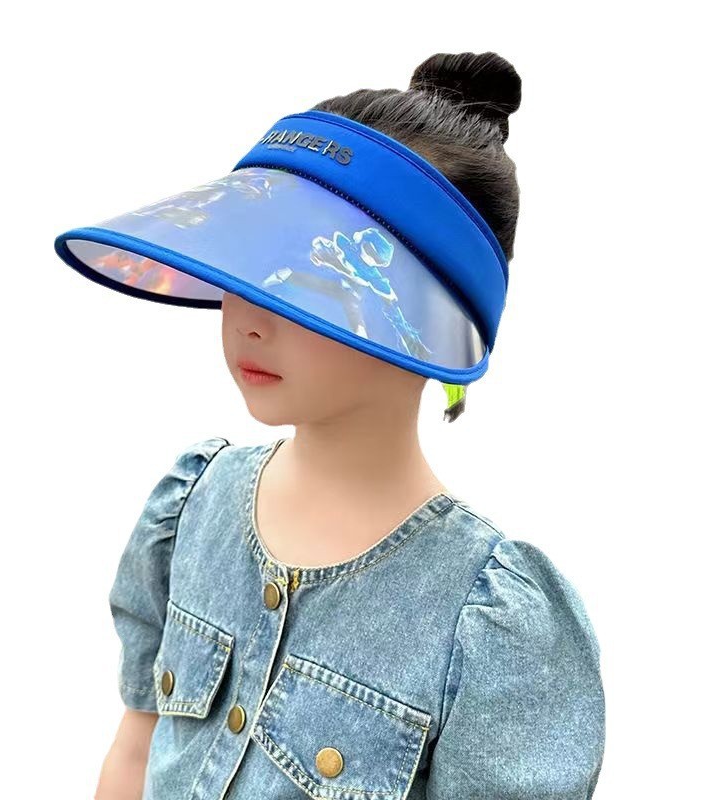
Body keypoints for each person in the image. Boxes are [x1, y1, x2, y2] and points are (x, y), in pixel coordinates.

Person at [56, 50, 605, 800]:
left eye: (313, 283)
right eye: (248, 268)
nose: (250, 319)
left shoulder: (493, 625)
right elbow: (135, 750)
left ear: (428, 320)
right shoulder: (192, 506)